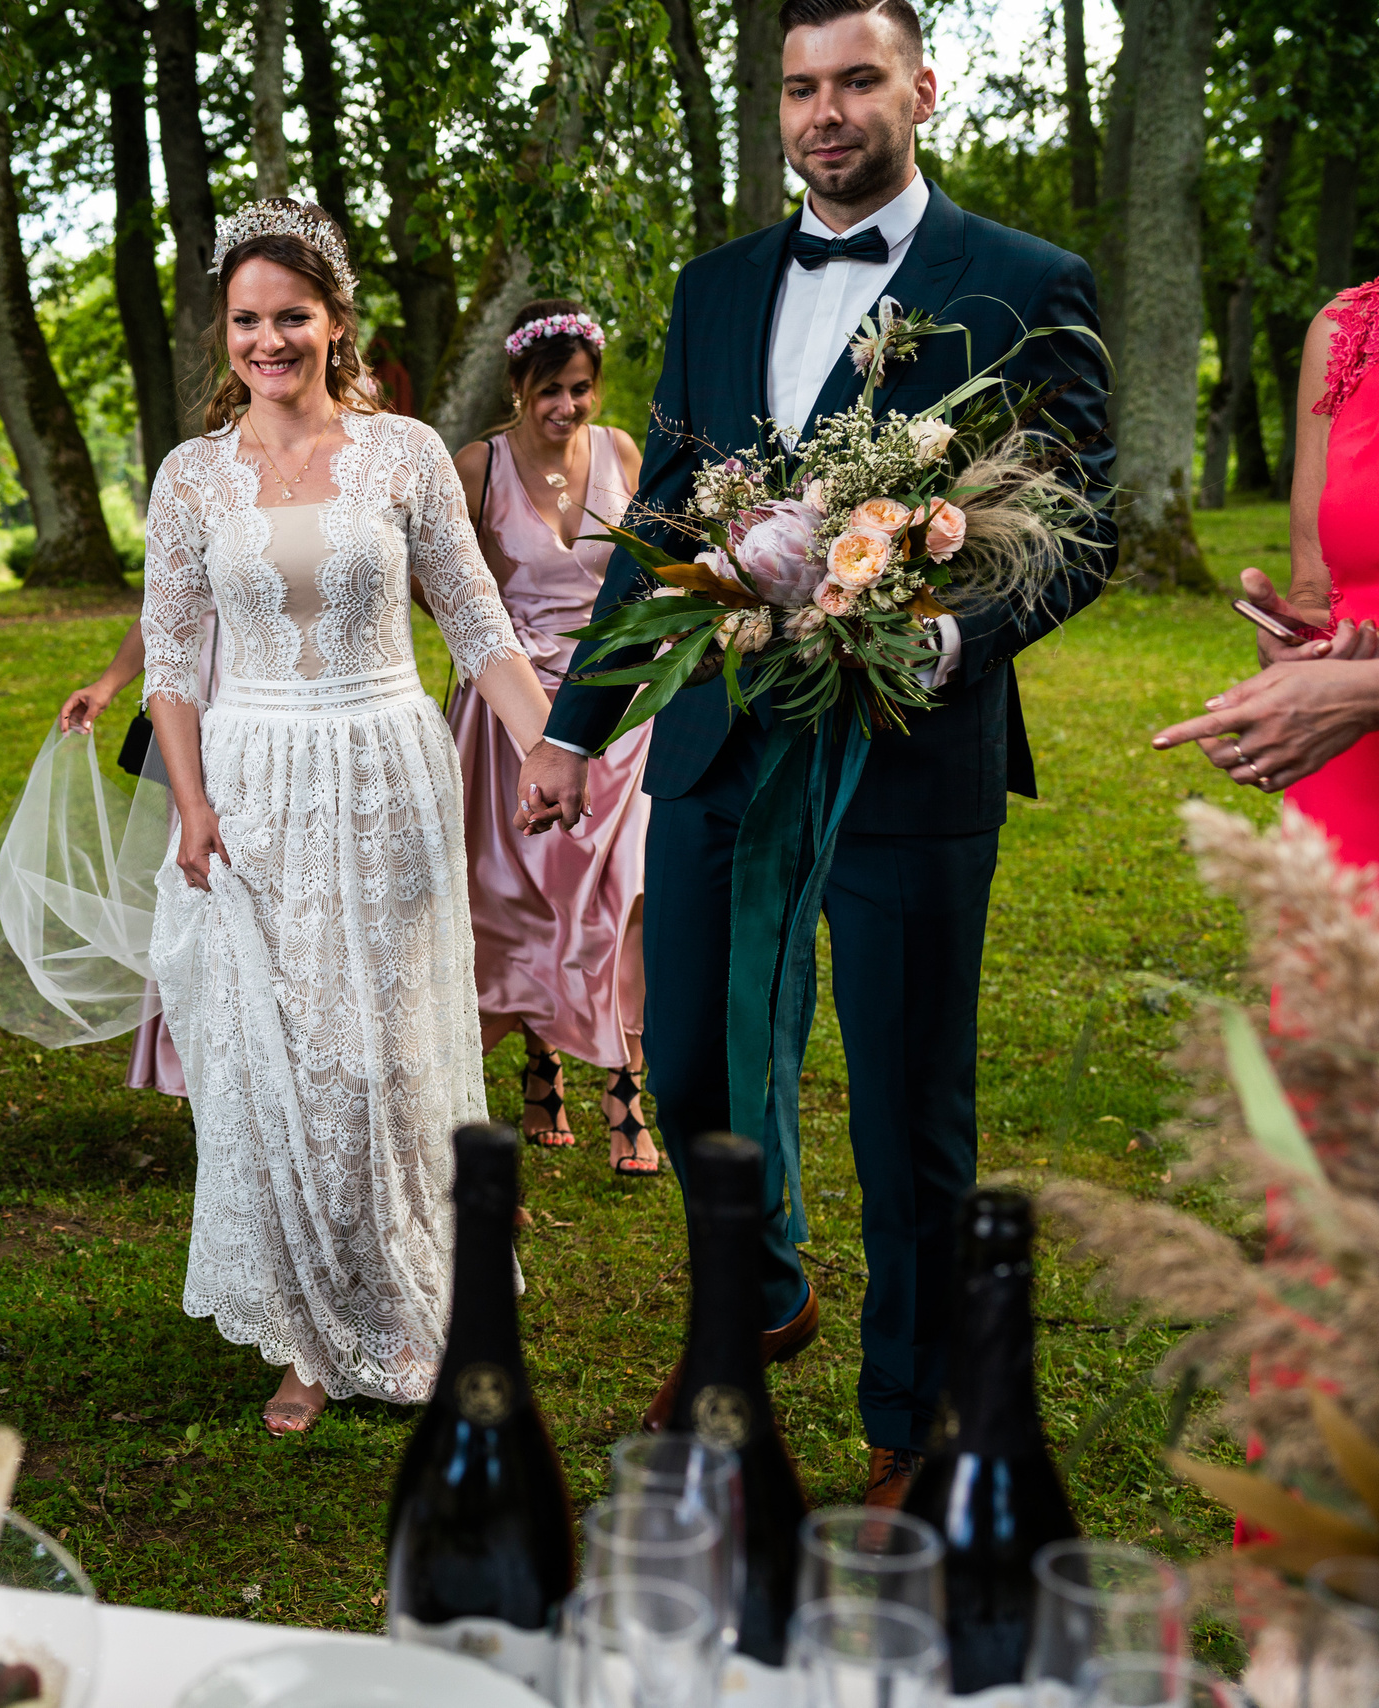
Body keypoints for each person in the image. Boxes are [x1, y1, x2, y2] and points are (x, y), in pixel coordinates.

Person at [514, 0, 1113, 1507]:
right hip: (720, 742)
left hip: (913, 754)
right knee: (709, 1062)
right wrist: (577, 726)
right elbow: (658, 532)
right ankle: (753, 1303)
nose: (825, 111)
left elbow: (1081, 517)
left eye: (856, 81)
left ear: (922, 87)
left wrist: (950, 637)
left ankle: (912, 1415)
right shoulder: (714, 288)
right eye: (799, 88)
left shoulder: (1029, 284)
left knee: (910, 1099)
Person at [141, 198, 552, 1434]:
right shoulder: (189, 477)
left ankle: (415, 1291)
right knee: (277, 1054)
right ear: (225, 332)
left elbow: (477, 624)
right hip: (253, 778)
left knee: (387, 1045)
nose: (269, 341)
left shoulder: (407, 454)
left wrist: (554, 749)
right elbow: (169, 658)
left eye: (292, 316)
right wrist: (195, 803)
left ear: (333, 322)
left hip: (384, 773)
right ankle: (304, 1335)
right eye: (247, 321)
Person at [449, 300, 658, 1176]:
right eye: (548, 391)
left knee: (625, 900)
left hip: (619, 706)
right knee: (522, 901)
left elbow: (651, 569)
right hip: (513, 716)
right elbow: (445, 587)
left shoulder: (621, 453)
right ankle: (541, 1067)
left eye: (578, 390)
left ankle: (625, 1093)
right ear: (516, 388)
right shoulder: (475, 466)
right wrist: (509, 661)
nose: (565, 408)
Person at [1152, 278, 1379, 813]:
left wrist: (1363, 695)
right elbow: (1315, 588)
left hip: (1337, 710)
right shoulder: (1347, 327)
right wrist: (1299, 635)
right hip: (1343, 753)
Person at [55, 612, 221, 1096]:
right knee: (202, 879)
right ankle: (204, 1059)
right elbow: (163, 603)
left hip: (299, 700)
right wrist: (108, 684)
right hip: (200, 695)